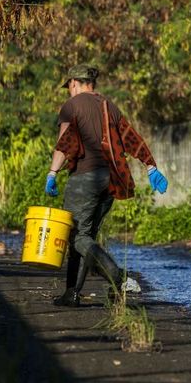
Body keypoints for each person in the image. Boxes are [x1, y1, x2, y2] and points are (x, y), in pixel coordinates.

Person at [46, 64, 169, 307]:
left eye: (69, 86)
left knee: (76, 235)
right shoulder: (109, 106)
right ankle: (72, 293)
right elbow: (131, 137)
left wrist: (52, 173)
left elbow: (64, 143)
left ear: (74, 83)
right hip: (111, 180)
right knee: (86, 237)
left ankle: (115, 274)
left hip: (85, 178)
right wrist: (151, 166)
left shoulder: (72, 105)